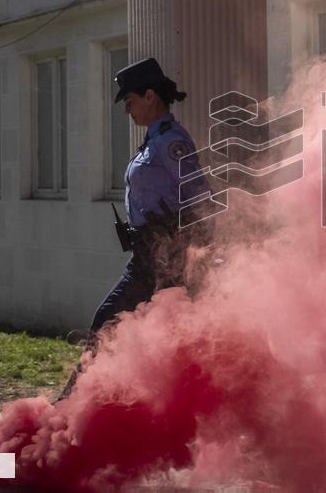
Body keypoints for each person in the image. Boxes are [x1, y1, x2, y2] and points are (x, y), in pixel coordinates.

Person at [58, 57, 211, 400]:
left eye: (129, 101)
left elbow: (200, 194)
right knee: (112, 325)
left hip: (168, 258)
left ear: (150, 96)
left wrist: (191, 248)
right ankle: (83, 403)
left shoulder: (171, 141)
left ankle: (76, 402)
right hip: (146, 256)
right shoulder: (152, 142)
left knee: (157, 335)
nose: (127, 110)